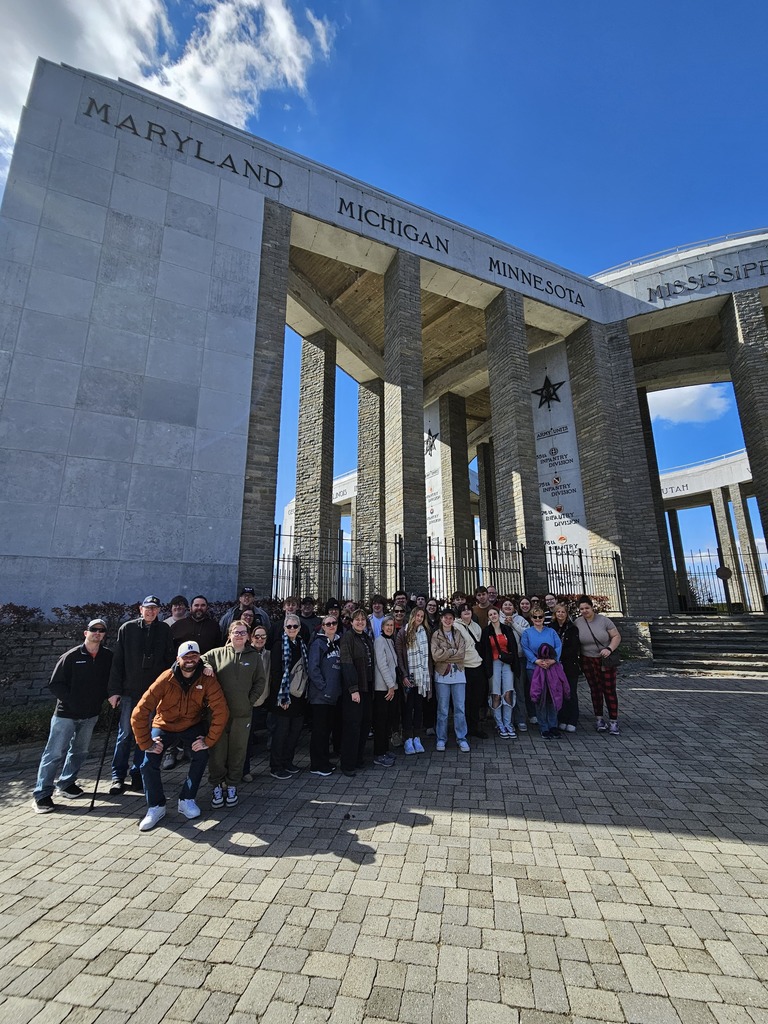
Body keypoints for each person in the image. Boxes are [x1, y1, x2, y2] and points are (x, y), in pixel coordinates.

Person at [130, 641, 229, 831]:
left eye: (194, 656)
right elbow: (140, 711)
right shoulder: (165, 678)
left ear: (199, 657)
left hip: (191, 725)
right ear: (178, 659)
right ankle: (156, 806)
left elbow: (221, 711)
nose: (190, 660)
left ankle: (187, 799)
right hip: (164, 724)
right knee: (148, 760)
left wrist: (208, 741)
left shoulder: (207, 679)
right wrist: (146, 742)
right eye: (186, 656)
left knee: (201, 755)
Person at [33, 618, 113, 813]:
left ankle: (67, 783)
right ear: (86, 633)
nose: (97, 633)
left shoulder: (108, 656)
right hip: (66, 715)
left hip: (90, 714)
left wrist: (106, 697)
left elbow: (109, 681)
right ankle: (42, 794)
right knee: (54, 754)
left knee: (79, 751)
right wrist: (72, 701)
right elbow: (55, 684)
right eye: (94, 629)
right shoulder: (71, 656)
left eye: (101, 630)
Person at [107, 596, 175, 794]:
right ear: (140, 609)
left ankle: (138, 773)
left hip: (153, 694)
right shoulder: (127, 629)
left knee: (145, 736)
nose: (151, 612)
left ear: (159, 611)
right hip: (130, 691)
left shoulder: (164, 630)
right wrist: (114, 691)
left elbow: (169, 661)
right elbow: (117, 662)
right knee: (125, 734)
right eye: (147, 608)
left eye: (154, 608)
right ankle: (117, 776)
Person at [202, 621, 267, 808]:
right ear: (229, 634)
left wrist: (249, 700)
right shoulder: (217, 654)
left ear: (247, 636)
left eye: (243, 632)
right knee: (218, 752)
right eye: (236, 632)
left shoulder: (254, 657)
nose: (239, 635)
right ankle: (216, 784)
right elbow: (199, 659)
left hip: (242, 713)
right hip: (218, 715)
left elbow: (260, 682)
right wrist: (206, 666)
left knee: (238, 751)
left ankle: (232, 785)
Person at [268, 614, 310, 779]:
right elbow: (276, 673)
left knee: (294, 731)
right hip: (283, 695)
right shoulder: (279, 646)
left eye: (295, 626)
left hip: (298, 695)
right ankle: (276, 765)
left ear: (299, 628)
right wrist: (282, 697)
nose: (292, 629)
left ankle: (288, 761)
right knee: (281, 732)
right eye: (289, 626)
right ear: (284, 628)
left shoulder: (301, 644)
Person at [574, 595, 622, 734]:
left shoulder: (604, 620)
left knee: (609, 690)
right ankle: (599, 719)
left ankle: (613, 721)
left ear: (592, 607)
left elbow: (616, 636)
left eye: (587, 608)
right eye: (581, 609)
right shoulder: (578, 622)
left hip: (604, 659)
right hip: (587, 660)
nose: (584, 611)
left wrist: (609, 648)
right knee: (595, 690)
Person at [339, 608, 375, 776]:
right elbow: (346, 663)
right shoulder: (348, 638)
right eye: (357, 619)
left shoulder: (366, 637)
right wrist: (353, 689)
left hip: (367, 687)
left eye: (363, 619)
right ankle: (348, 764)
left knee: (365, 723)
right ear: (351, 622)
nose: (360, 622)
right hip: (355, 689)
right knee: (352, 726)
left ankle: (359, 758)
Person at [307, 614, 342, 776]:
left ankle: (324, 760)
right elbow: (313, 668)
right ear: (323, 626)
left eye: (334, 623)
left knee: (327, 730)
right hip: (320, 696)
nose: (331, 625)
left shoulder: (338, 643)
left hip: (333, 696)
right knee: (319, 730)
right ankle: (316, 764)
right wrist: (323, 687)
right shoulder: (318, 644)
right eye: (328, 623)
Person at [431, 607, 469, 752]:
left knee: (460, 708)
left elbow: (461, 654)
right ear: (441, 619)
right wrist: (451, 651)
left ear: (453, 620)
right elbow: (435, 656)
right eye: (445, 618)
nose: (448, 620)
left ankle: (461, 738)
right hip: (442, 676)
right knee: (443, 709)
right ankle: (441, 738)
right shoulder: (436, 635)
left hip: (458, 674)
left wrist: (445, 654)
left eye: (450, 618)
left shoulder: (458, 633)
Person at [520, 609, 562, 737]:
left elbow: (558, 646)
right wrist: (535, 660)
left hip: (551, 668)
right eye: (535, 617)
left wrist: (553, 660)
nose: (538, 619)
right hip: (534, 668)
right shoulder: (527, 633)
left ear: (544, 618)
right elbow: (525, 647)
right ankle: (544, 727)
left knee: (552, 696)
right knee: (540, 697)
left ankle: (553, 725)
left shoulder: (551, 632)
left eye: (540, 617)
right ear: (531, 618)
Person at [395, 608, 430, 755]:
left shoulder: (424, 632)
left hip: (422, 677)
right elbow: (399, 657)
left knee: (419, 708)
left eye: (422, 616)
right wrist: (403, 675)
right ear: (412, 616)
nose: (420, 618)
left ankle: (417, 737)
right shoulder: (403, 632)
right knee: (408, 708)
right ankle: (408, 738)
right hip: (409, 677)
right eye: (417, 615)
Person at [480, 606, 518, 738]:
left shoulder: (507, 629)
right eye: (490, 614)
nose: (493, 616)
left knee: (508, 692)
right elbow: (484, 650)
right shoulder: (486, 632)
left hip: (507, 663)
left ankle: (508, 723)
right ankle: (499, 723)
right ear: (488, 617)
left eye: (495, 613)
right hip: (494, 663)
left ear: (498, 614)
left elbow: (513, 646)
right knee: (496, 694)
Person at [454, 606, 487, 739]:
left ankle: (474, 727)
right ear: (460, 613)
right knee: (465, 699)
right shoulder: (456, 626)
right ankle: (464, 728)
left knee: (476, 699)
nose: (467, 612)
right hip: (464, 667)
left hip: (477, 665)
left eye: (468, 609)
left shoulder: (476, 626)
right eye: (463, 610)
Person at [501, 596, 532, 732]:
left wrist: (513, 623)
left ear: (514, 608)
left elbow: (526, 635)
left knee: (519, 689)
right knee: (505, 689)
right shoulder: (497, 618)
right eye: (505, 605)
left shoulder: (521, 620)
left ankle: (520, 719)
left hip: (519, 659)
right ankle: (507, 719)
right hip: (503, 660)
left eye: (510, 605)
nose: (508, 607)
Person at [529, 642, 570, 741]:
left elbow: (563, 679)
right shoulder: (541, 668)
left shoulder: (555, 666)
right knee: (543, 709)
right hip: (544, 693)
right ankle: (544, 728)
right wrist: (535, 695)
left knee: (551, 709)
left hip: (553, 693)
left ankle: (552, 727)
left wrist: (566, 692)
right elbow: (536, 683)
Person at [372, 614, 398, 767]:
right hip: (384, 688)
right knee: (381, 723)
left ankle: (384, 749)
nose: (389, 627)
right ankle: (378, 753)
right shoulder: (379, 641)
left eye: (391, 625)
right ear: (382, 627)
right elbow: (382, 665)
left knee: (388, 721)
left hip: (391, 687)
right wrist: (390, 685)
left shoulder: (390, 641)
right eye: (387, 625)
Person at [553, 602, 580, 732]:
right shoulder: (551, 627)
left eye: (563, 612)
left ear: (566, 614)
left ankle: (573, 719)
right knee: (560, 692)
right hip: (555, 665)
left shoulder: (572, 628)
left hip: (570, 664)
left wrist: (558, 654)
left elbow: (574, 648)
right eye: (558, 612)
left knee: (571, 692)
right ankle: (562, 718)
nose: (560, 614)